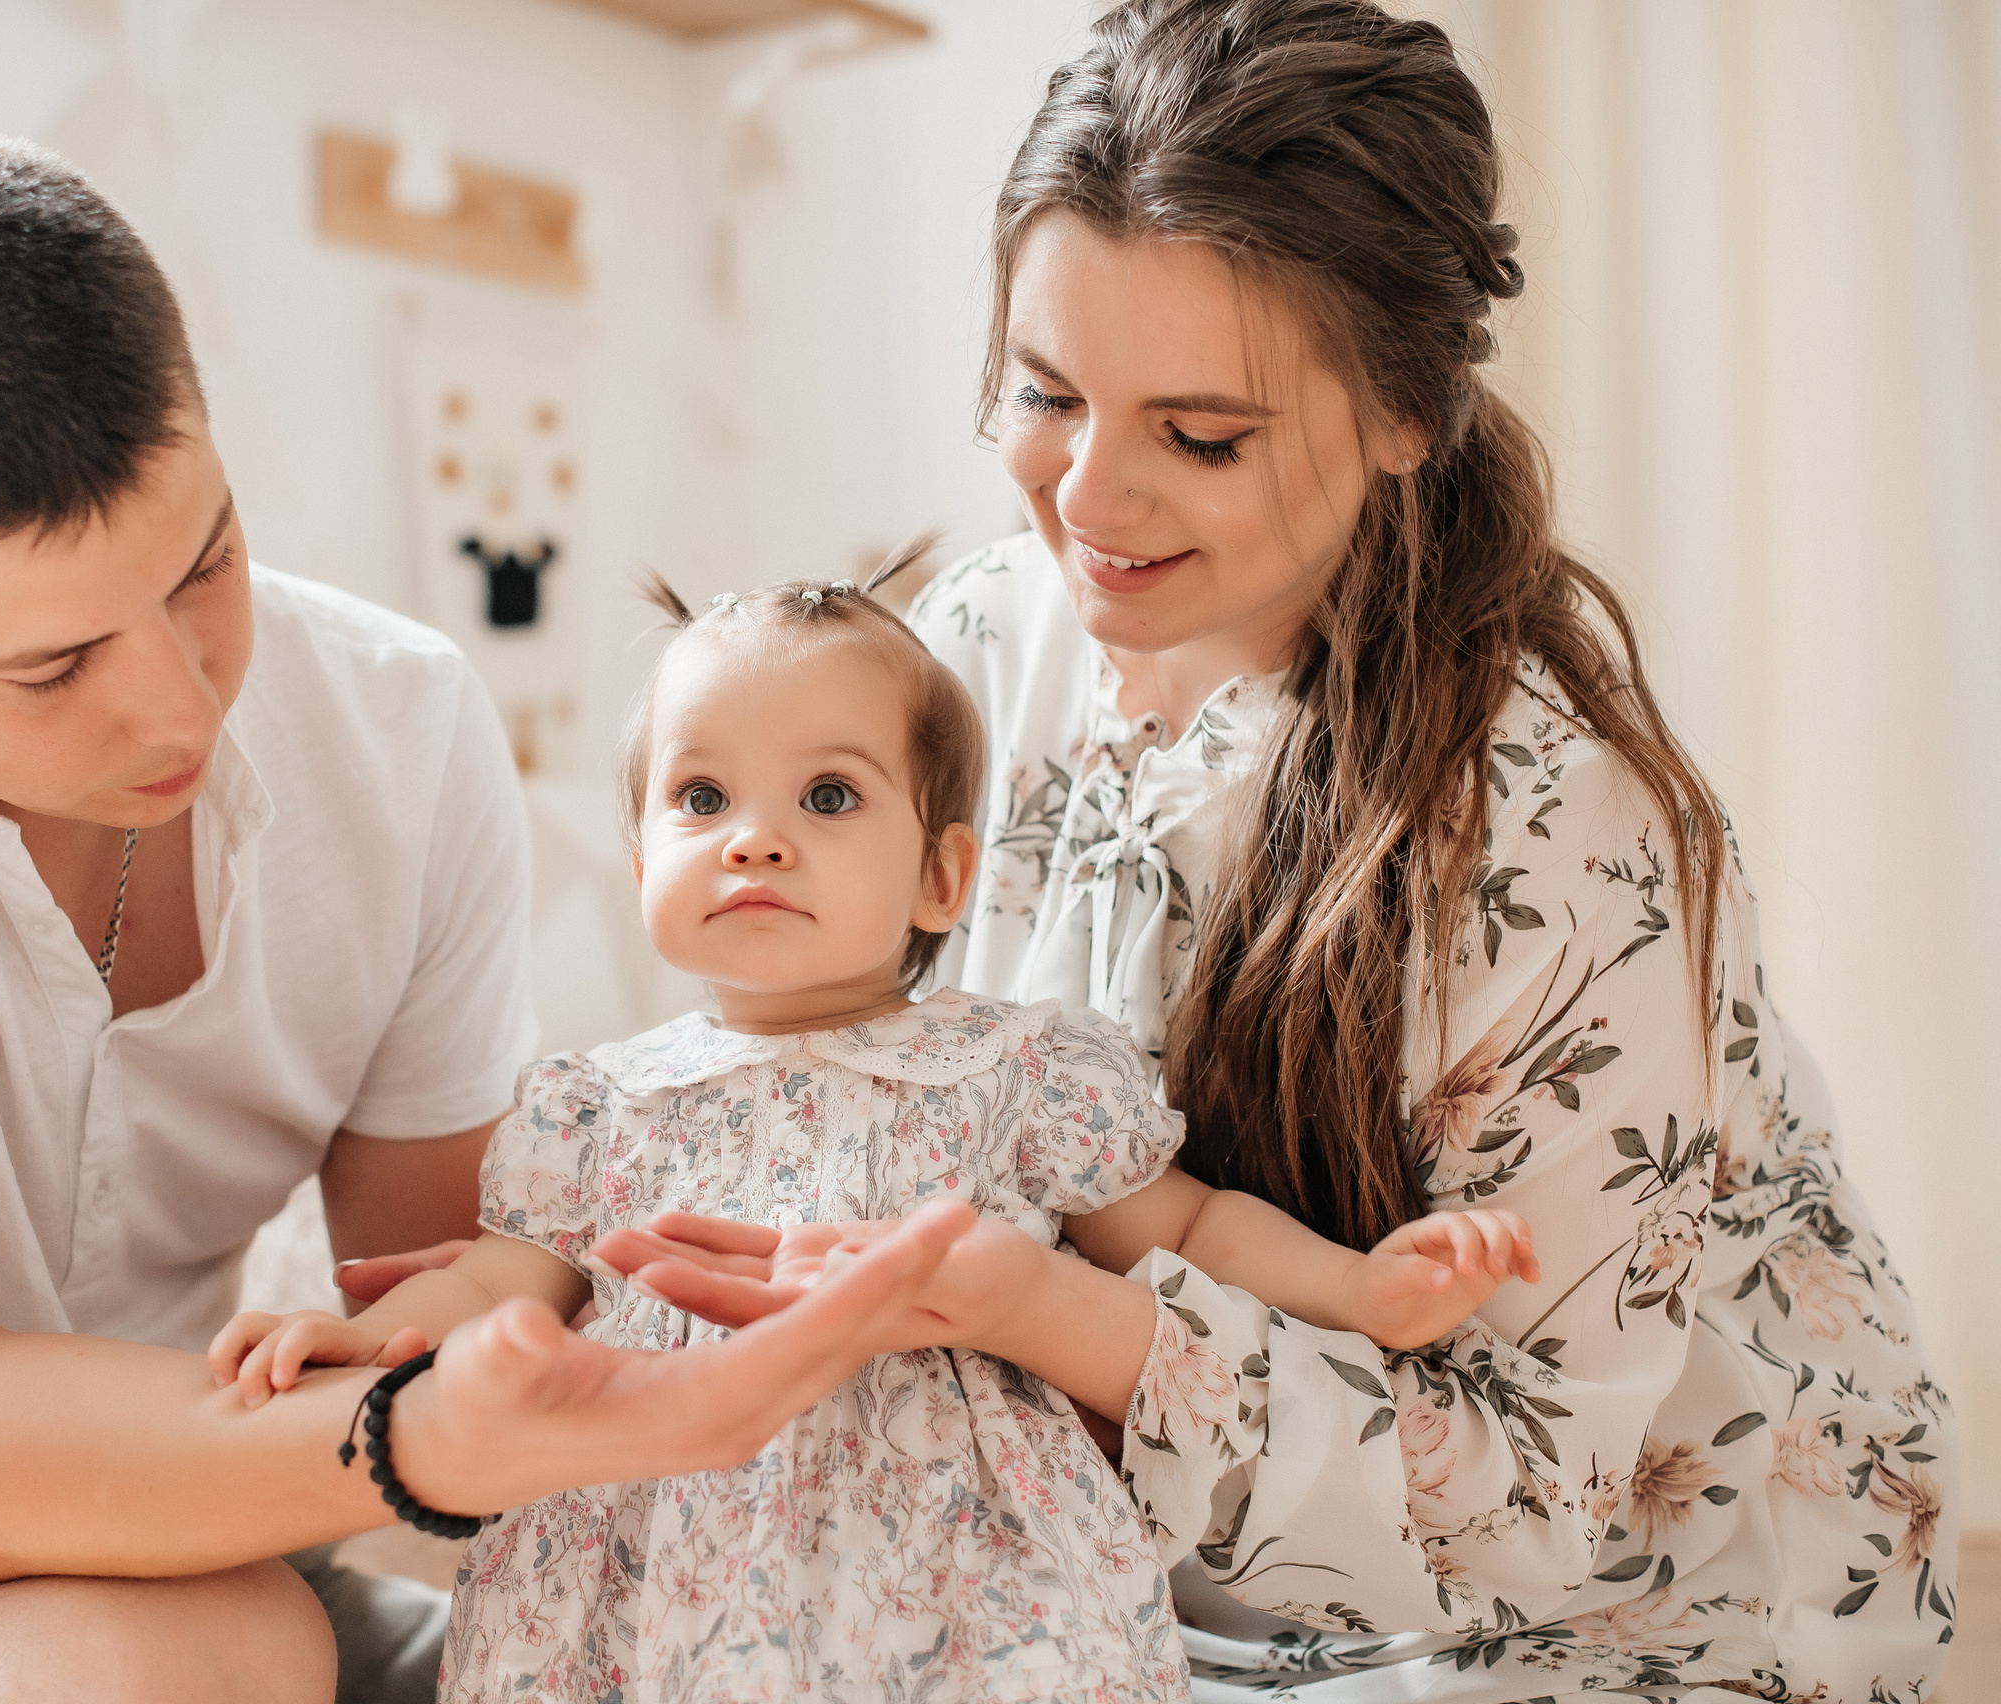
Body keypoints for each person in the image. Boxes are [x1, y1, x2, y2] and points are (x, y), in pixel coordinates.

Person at [0, 128, 979, 1704]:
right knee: (208, 1652)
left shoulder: (398, 725)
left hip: (192, 1548)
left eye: (206, 564)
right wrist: (433, 1438)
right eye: (53, 668)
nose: (181, 707)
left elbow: (440, 1304)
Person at [590, 2, 1959, 1699]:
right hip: (1103, 1582)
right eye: (1044, 391)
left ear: (1406, 416)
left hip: (1591, 1624)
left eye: (1203, 434)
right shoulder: (964, 655)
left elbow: (1551, 1508)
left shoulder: (1564, 831)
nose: (1088, 497)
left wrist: (1044, 1315)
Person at [223, 563, 1538, 1703]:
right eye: (700, 800)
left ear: (941, 877)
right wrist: (380, 1339)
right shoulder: (595, 1105)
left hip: (955, 1569)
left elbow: (1183, 1226)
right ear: (638, 865)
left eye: (829, 799)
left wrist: (1360, 1285)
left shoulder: (1007, 1069)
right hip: (661, 1549)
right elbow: (510, 1279)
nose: (756, 843)